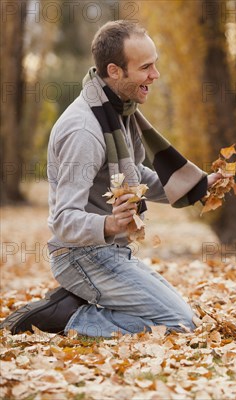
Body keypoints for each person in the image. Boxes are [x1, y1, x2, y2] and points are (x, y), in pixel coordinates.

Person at [1, 20, 223, 337]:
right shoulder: (85, 131)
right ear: (115, 71)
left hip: (111, 253)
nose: (155, 75)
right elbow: (63, 220)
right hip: (80, 256)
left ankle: (74, 304)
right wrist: (109, 225)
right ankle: (67, 318)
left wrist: (199, 184)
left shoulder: (117, 113)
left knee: (182, 314)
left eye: (155, 64)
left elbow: (136, 176)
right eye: (145, 67)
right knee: (178, 323)